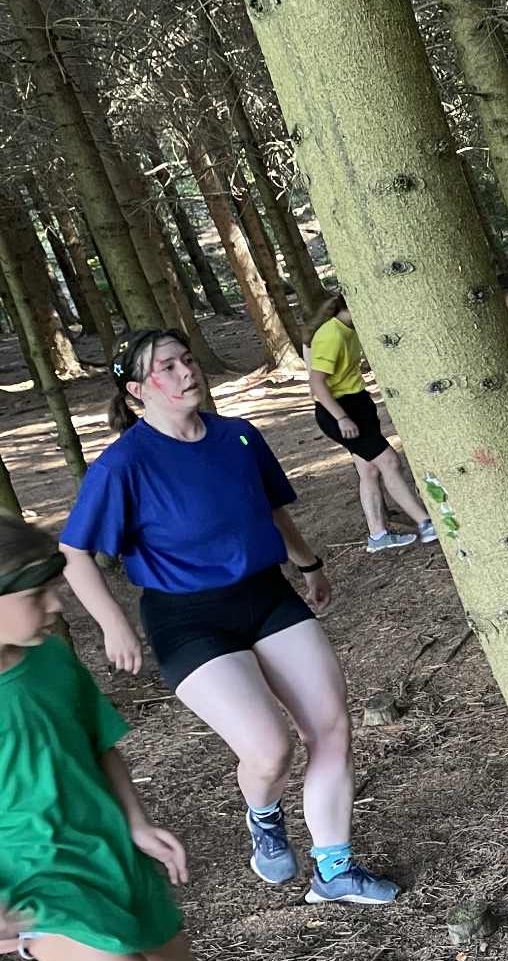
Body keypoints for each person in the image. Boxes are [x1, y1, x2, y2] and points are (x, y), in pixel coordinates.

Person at [60, 328, 401, 906]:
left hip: (266, 595)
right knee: (269, 750)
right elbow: (74, 554)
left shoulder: (238, 436)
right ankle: (264, 816)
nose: (186, 371)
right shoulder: (123, 465)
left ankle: (335, 868)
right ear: (137, 390)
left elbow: (269, 510)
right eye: (167, 367)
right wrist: (114, 624)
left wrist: (308, 563)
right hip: (187, 617)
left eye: (187, 359)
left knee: (330, 727)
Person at [0, 515, 263, 961]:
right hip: (35, 883)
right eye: (36, 594)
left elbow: (99, 742)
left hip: (106, 851)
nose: (57, 604)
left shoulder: (49, 658)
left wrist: (138, 824)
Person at [303, 291, 436, 554]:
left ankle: (377, 535)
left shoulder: (350, 330)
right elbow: (316, 383)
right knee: (389, 462)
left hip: (357, 404)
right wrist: (341, 417)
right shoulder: (332, 335)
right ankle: (425, 523)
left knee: (369, 470)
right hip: (340, 410)